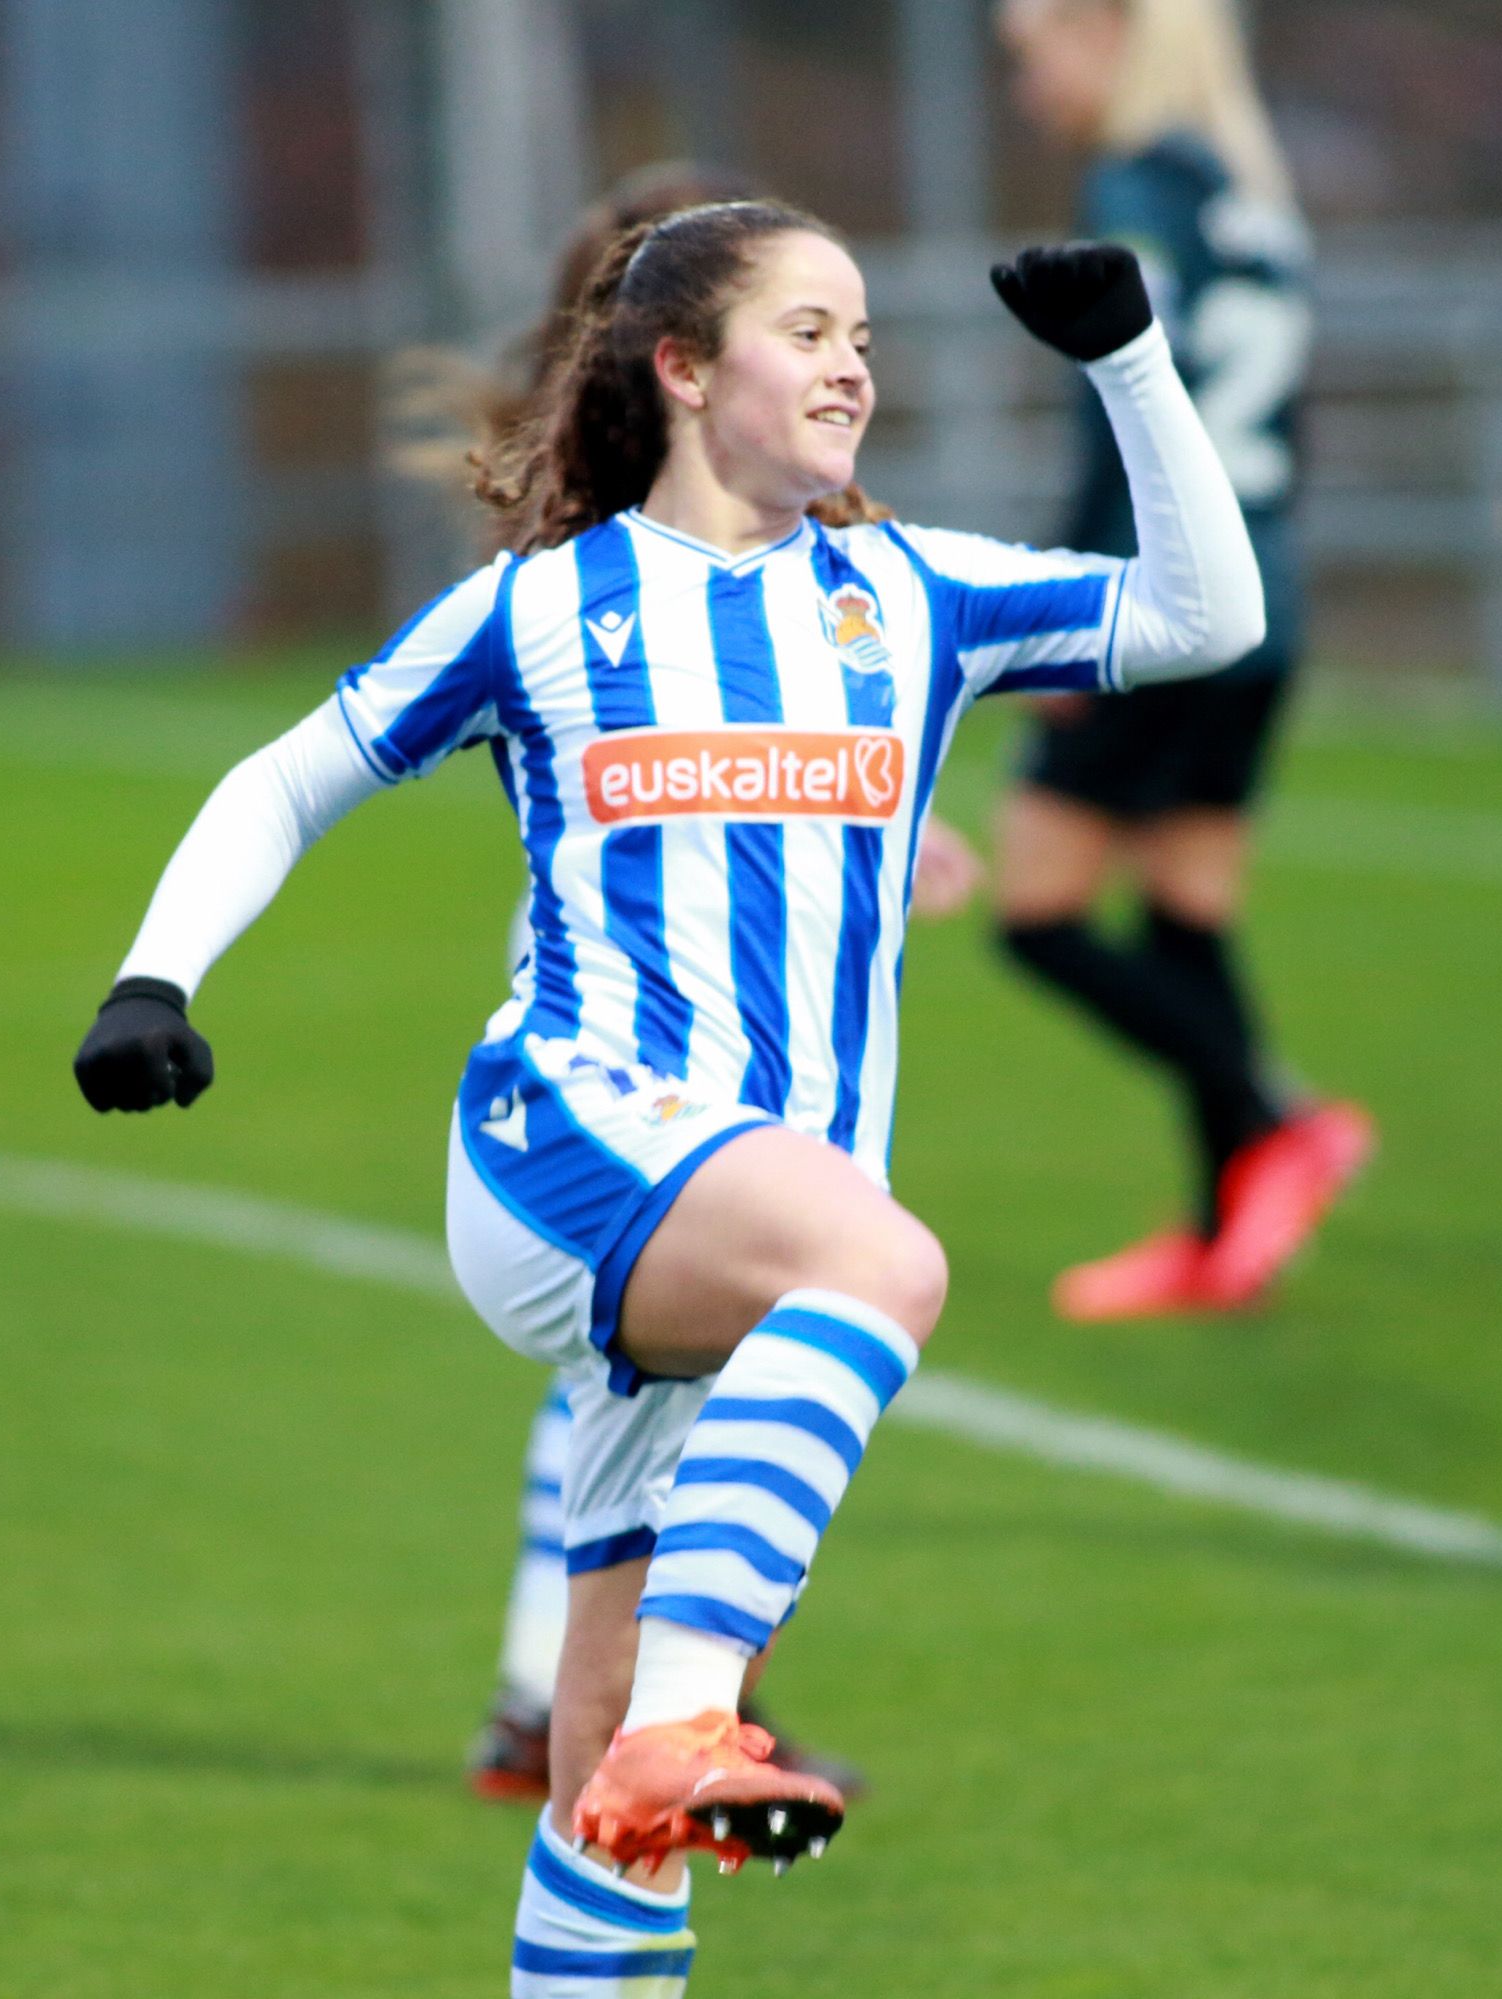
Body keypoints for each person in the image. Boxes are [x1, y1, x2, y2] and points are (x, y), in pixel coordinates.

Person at [72, 202, 1263, 1997]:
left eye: (863, 329)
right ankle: (702, 1717)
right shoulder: (548, 605)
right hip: (569, 1142)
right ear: (686, 369)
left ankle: (648, 1752)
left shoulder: (908, 595)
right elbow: (290, 776)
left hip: (739, 1236)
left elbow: (1205, 614)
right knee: (888, 1272)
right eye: (806, 327)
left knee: (602, 1797)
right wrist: (157, 973)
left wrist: (1128, 363)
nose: (853, 359)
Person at [416, 162, 880, 1816]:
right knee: (761, 1317)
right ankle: (643, 1704)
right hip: (634, 1032)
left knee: (660, 1371)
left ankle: (584, 1713)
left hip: (682, 1028)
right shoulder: (596, 553)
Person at [988, 0, 1371, 1321]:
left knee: (1037, 914)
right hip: (1265, 598)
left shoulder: (1138, 185)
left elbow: (1127, 423)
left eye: (1032, 57)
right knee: (1184, 913)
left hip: (1159, 609)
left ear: (1107, 34)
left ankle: (1283, 1118)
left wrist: (1065, 619)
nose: (1028, 89)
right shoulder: (1248, 194)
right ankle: (1220, 1235)